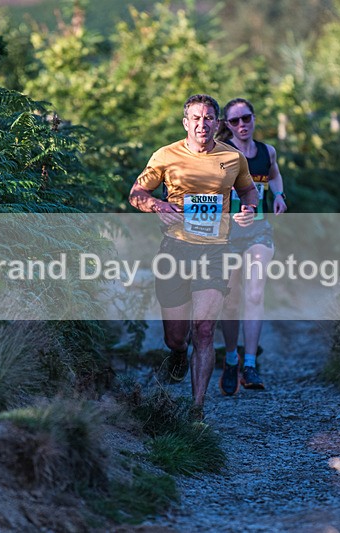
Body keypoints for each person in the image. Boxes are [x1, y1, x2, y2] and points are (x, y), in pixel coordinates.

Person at [129, 94, 259, 420]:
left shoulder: (233, 158)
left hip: (215, 250)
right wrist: (158, 206)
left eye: (209, 118)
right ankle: (176, 353)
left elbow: (248, 190)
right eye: (196, 119)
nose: (203, 124)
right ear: (186, 123)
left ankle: (197, 408)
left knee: (203, 329)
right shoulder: (165, 155)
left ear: (218, 123)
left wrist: (249, 209)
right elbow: (137, 194)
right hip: (175, 248)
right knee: (176, 337)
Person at [216, 98, 288, 395]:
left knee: (256, 292)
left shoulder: (266, 152)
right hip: (228, 234)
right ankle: (231, 358)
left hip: (259, 230)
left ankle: (250, 364)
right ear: (226, 125)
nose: (242, 125)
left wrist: (280, 195)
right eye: (234, 121)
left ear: (254, 118)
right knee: (231, 300)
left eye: (246, 118)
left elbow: (274, 175)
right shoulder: (220, 153)